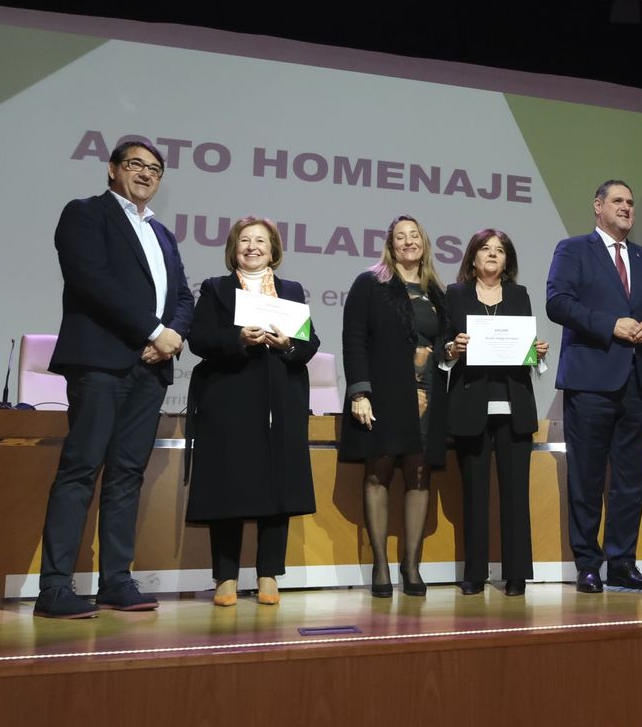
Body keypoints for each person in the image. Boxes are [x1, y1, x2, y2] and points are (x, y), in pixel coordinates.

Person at [34, 139, 194, 619]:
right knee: (82, 468)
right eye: (136, 164)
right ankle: (56, 586)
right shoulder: (85, 214)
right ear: (112, 169)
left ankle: (115, 580)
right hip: (101, 362)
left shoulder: (163, 233)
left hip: (149, 369)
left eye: (155, 169)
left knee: (128, 473)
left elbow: (183, 295)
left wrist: (171, 334)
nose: (146, 174)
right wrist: (151, 329)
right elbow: (92, 280)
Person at [546, 180, 642, 593]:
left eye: (631, 203)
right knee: (586, 479)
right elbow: (557, 302)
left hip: (636, 382)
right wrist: (609, 325)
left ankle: (622, 562)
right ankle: (588, 563)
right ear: (597, 207)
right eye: (618, 201)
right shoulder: (573, 249)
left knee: (629, 482)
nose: (626, 208)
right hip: (590, 382)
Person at [184, 217, 319, 606]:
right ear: (234, 248)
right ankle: (225, 576)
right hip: (230, 399)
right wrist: (237, 338)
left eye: (261, 240)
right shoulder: (216, 288)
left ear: (273, 249)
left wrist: (286, 344)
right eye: (245, 240)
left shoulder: (290, 289)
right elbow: (198, 339)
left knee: (278, 487)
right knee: (229, 486)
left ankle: (268, 575)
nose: (253, 246)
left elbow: (310, 344)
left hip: (281, 399)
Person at [340, 215, 450, 596]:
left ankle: (412, 565)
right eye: (400, 237)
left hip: (430, 395)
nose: (408, 242)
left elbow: (446, 346)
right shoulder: (370, 283)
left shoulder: (437, 290)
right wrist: (359, 392)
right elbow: (354, 339)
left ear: (424, 242)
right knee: (379, 473)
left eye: (414, 235)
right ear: (390, 244)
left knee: (420, 476)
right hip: (384, 394)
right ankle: (381, 566)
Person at [445, 229, 550, 597]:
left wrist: (537, 352)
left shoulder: (519, 295)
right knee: (474, 493)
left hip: (514, 402)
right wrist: (452, 349)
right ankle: (475, 572)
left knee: (515, 493)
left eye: (500, 250)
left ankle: (517, 572)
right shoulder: (454, 294)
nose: (492, 255)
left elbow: (526, 353)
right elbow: (443, 349)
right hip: (471, 401)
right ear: (472, 258)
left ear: (508, 260)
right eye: (485, 249)